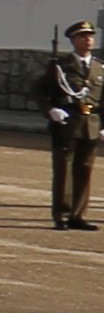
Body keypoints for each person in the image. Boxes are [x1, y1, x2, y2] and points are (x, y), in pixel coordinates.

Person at [44, 21, 99, 232]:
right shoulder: (61, 66)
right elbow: (38, 91)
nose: (88, 39)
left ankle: (78, 214)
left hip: (90, 125)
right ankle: (62, 214)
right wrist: (51, 110)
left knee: (84, 171)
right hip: (67, 125)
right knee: (64, 172)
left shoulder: (98, 67)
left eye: (90, 35)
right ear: (73, 40)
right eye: (83, 36)